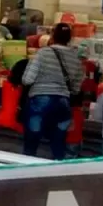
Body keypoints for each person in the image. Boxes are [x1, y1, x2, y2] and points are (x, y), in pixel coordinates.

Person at [21, 23, 84, 159]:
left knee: (31, 145)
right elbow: (76, 89)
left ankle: (26, 173)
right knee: (58, 145)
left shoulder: (42, 53)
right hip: (63, 104)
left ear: (52, 36)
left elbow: (27, 79)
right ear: (69, 38)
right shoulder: (76, 59)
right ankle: (56, 173)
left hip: (40, 102)